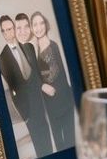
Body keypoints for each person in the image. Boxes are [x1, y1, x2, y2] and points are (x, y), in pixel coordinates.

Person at [0, 14, 53, 159]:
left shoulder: (28, 47)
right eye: (5, 30)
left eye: (11, 28)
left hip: (39, 100)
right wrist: (23, 113)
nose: (9, 33)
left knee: (46, 134)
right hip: (26, 106)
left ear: (14, 28)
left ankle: (52, 158)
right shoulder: (1, 59)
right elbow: (13, 86)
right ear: (2, 33)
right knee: (38, 141)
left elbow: (38, 74)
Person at [31, 10, 75, 151]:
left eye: (41, 23)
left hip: (64, 99)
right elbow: (34, 78)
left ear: (46, 25)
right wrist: (42, 86)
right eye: (35, 24)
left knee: (70, 139)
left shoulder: (54, 45)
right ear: (31, 28)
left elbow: (63, 74)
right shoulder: (33, 51)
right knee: (59, 142)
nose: (39, 27)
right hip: (49, 104)